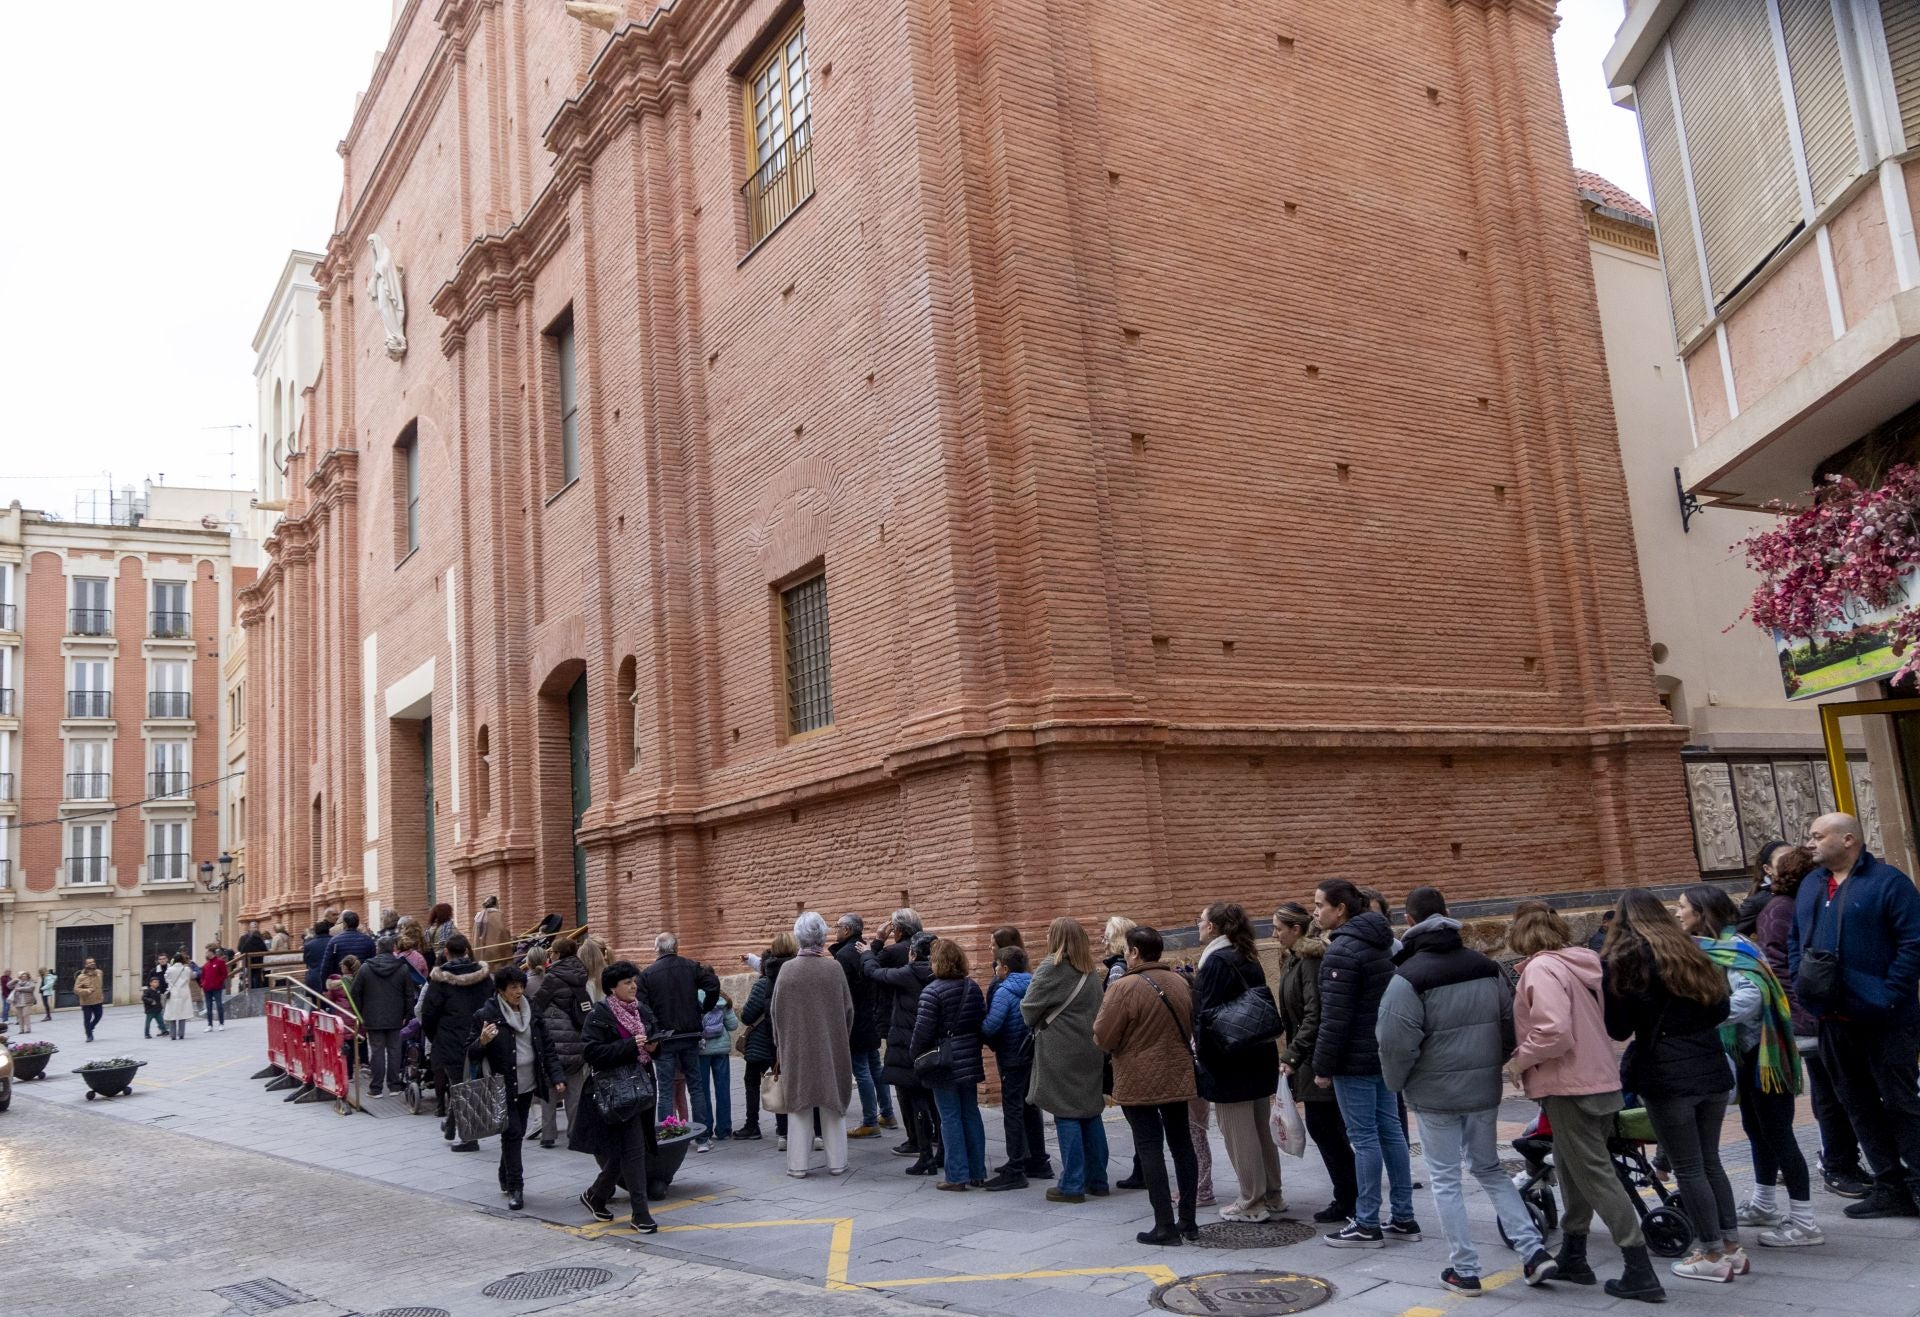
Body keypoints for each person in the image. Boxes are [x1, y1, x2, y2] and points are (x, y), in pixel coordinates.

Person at [1377, 887, 1554, 1294]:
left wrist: (1396, 1083)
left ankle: (1464, 1268)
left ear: (1408, 922)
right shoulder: (1486, 966)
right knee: (1489, 1168)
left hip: (1434, 1091)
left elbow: (1393, 1042)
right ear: (1449, 914)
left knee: (1444, 1178)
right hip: (1481, 1088)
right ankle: (1533, 1251)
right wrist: (1501, 1059)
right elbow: (1510, 1021)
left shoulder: (1407, 976)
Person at [1790, 811, 1920, 1221]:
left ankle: (1918, 1182)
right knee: (1857, 1105)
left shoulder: (1888, 883)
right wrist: (1800, 981)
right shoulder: (1811, 885)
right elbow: (1797, 939)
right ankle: (1889, 1186)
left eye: (1817, 835)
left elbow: (1913, 942)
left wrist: (1890, 993)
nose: (1809, 843)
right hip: (1831, 1020)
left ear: (1848, 840)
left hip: (1886, 1021)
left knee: (1902, 1103)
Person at [1604, 888, 1738, 1283]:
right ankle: (1732, 1247)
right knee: (1710, 1161)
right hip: (1712, 1068)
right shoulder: (1692, 950)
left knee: (1689, 1167)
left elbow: (1619, 1027)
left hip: (1666, 1075)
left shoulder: (1627, 959)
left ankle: (1710, 1251)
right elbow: (1722, 1008)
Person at [1678, 884, 1819, 1248]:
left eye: (1682, 907)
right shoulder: (1716, 949)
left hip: (1766, 1056)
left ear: (1702, 913)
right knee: (1757, 1130)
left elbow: (1751, 998)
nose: (1677, 914)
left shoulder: (1736, 949)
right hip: (1749, 1052)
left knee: (1780, 1134)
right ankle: (1763, 1204)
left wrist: (1703, 1016)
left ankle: (1805, 1223)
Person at [1757, 845, 1870, 1198]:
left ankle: (1843, 1161)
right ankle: (1839, 1164)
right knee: (1833, 1093)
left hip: (1822, 1015)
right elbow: (1787, 969)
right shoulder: (1784, 909)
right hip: (1814, 1019)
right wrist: (1811, 1012)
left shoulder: (1794, 906)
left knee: (1840, 1091)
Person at [1311, 879, 1417, 1247]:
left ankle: (1367, 1221)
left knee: (1364, 1137)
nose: (1316, 912)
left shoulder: (1343, 950)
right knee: (1390, 1130)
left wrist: (1322, 1067)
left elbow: (1335, 1017)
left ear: (1340, 909)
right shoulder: (1380, 942)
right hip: (1381, 1053)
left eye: (1321, 905)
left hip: (1354, 1061)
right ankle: (1403, 1215)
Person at [1094, 925, 1201, 1245]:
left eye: (1127, 951)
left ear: (1135, 952)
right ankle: (1188, 1220)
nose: (1125, 956)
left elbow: (1103, 1036)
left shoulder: (1123, 988)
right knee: (1182, 1143)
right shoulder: (1180, 982)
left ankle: (1164, 1225)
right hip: (1177, 1073)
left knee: (1150, 1145)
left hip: (1137, 1078)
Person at [1193, 902, 1284, 1223]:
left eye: (1202, 920)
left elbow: (1206, 1014)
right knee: (1260, 1128)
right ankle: (1273, 1194)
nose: (1198, 925)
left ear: (1214, 928)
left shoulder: (1216, 961)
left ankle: (1251, 1201)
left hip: (1229, 1058)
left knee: (1238, 1131)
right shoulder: (1246, 955)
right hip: (1257, 1051)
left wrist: (1201, 1058)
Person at [1273, 903, 1356, 1224]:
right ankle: (1349, 1195)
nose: (1274, 933)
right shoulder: (1295, 958)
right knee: (1328, 1128)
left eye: (1279, 928)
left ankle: (1348, 1198)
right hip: (1308, 1055)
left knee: (1326, 1128)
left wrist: (1293, 1055)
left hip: (1314, 1057)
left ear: (1296, 930)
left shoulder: (1309, 960)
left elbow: (1314, 1013)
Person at [1022, 917, 1108, 1204]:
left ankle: (1072, 1184)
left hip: (1060, 1049)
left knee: (1066, 1112)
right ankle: (1098, 1179)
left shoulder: (1053, 966)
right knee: (1091, 1111)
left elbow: (1029, 1007)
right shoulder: (1091, 969)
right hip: (1090, 1048)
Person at [573, 960, 661, 1234]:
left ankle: (596, 1195)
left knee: (623, 1150)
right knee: (634, 1149)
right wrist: (628, 1045)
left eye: (634, 981)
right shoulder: (599, 1015)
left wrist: (654, 1046)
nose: (633, 986)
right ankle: (641, 1213)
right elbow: (591, 1052)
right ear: (613, 988)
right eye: (627, 983)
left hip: (642, 1087)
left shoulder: (641, 1010)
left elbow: (653, 1041)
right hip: (615, 1091)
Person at [469, 965, 565, 1211]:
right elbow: (470, 1052)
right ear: (501, 990)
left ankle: (504, 1172)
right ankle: (516, 1186)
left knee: (517, 1130)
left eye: (521, 986)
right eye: (513, 987)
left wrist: (556, 1076)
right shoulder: (485, 1015)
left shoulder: (532, 1011)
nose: (519, 991)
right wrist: (482, 1041)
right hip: (502, 1084)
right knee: (512, 1132)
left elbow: (547, 1047)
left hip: (528, 1083)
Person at [773, 911, 856, 1178]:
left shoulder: (787, 970)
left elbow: (776, 1013)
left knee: (799, 1104)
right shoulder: (833, 968)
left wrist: (781, 1043)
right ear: (822, 937)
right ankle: (837, 1163)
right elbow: (848, 1011)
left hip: (796, 1047)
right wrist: (839, 1036)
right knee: (832, 1103)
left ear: (799, 938)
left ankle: (797, 1165)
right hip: (831, 1045)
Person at [912, 938, 989, 1190]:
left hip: (943, 1062)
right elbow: (980, 1021)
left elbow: (922, 1032)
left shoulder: (932, 992)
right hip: (969, 1059)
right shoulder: (972, 987)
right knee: (970, 1113)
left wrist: (914, 1055)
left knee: (950, 1117)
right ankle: (977, 1171)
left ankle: (957, 1175)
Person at [864, 918, 940, 1172]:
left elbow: (874, 973)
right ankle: (941, 1148)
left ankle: (924, 1152)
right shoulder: (943, 973)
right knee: (937, 1097)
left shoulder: (909, 972)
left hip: (909, 1042)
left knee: (914, 1097)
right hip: (936, 1042)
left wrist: (872, 947)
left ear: (914, 953)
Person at [638, 932, 723, 1151]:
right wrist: (703, 1009)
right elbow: (713, 984)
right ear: (676, 947)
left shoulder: (648, 974)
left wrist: (653, 1026)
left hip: (665, 1037)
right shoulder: (691, 967)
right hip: (690, 1034)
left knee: (665, 1089)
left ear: (657, 949)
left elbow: (642, 1006)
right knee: (696, 1086)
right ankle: (702, 1138)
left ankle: (668, 1136)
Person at [420, 933, 494, 1151]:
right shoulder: (484, 977)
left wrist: (437, 1038)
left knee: (460, 1085)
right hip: (481, 1036)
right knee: (467, 1083)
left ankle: (469, 1139)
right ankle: (452, 1126)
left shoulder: (441, 979)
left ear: (446, 953)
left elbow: (429, 1014)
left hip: (451, 1038)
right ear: (467, 950)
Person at [981, 945, 1046, 1190]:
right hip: (1032, 1054)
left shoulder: (1004, 991)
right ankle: (1039, 1160)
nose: (995, 969)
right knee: (1031, 1106)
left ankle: (1016, 1166)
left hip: (1011, 1055)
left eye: (997, 965)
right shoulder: (1035, 983)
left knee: (1013, 1111)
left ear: (1005, 968)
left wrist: (981, 1031)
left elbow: (991, 1026)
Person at [831, 914, 892, 1137]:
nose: (835, 930)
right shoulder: (863, 948)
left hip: (855, 1019)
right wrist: (878, 940)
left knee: (862, 1069)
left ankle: (870, 1121)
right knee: (875, 1065)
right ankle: (887, 1113)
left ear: (847, 930)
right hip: (871, 1015)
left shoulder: (843, 955)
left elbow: (841, 992)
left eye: (837, 926)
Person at [533, 936, 592, 1148]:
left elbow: (536, 1005)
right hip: (577, 1040)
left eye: (552, 952)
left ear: (558, 954)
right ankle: (574, 1133)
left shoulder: (553, 977)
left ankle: (548, 1135)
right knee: (574, 1091)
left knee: (550, 1088)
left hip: (555, 1041)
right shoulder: (581, 973)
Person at [737, 932, 796, 1141]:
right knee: (781, 1080)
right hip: (784, 1042)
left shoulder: (763, 984)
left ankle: (752, 1125)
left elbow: (747, 1015)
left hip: (761, 1043)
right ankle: (784, 1129)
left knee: (752, 1082)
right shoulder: (793, 978)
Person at [353, 935, 419, 1098]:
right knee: (394, 1051)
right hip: (396, 1017)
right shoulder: (402, 968)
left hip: (373, 1017)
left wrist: (361, 1011)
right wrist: (408, 1014)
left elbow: (355, 992)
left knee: (377, 1052)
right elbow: (409, 994)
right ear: (393, 948)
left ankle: (376, 1088)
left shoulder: (366, 968)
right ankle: (394, 1086)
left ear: (378, 949)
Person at [695, 985, 740, 1144]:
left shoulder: (692, 997)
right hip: (721, 1051)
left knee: (702, 1091)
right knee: (723, 1089)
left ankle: (705, 1129)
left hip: (701, 1050)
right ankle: (724, 1129)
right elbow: (733, 1025)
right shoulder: (722, 999)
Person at [1739, 841, 1790, 937]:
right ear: (1768, 869)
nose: (1792, 864)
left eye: (1795, 859)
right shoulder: (1759, 901)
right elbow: (1731, 934)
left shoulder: (1810, 888)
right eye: (1784, 861)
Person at [322, 911, 376, 982]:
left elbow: (326, 966)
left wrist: (324, 987)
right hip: (363, 983)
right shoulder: (368, 940)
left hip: (341, 985)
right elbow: (373, 964)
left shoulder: (334, 941)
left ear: (344, 924)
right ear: (357, 923)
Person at [164, 953, 196, 1041]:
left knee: (172, 1014)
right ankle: (181, 1034)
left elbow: (166, 979)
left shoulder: (169, 969)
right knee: (183, 1014)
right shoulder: (186, 969)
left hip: (173, 993)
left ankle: (173, 1035)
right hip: (184, 993)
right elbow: (190, 977)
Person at [199, 941, 230, 1032]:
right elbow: (202, 976)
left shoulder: (220, 962)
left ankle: (221, 1023)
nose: (206, 954)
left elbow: (224, 974)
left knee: (219, 1005)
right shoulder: (206, 965)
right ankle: (210, 1025)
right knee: (208, 1007)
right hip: (207, 989)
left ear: (211, 953)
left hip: (217, 988)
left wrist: (218, 982)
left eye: (207, 952)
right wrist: (203, 984)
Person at [73, 958, 105, 1043]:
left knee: (99, 1016)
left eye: (94, 962)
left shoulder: (99, 973)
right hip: (86, 1002)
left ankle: (91, 1027)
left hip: (98, 1000)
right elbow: (76, 990)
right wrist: (86, 991)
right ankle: (89, 1035)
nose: (93, 964)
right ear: (86, 965)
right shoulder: (81, 977)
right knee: (87, 1018)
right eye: (90, 963)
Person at [237, 920, 270, 990]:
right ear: (250, 928)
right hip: (248, 960)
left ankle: (255, 989)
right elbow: (240, 948)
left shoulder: (260, 937)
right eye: (254, 927)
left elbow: (264, 949)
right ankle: (251, 989)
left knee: (257, 976)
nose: (255, 929)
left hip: (258, 961)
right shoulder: (244, 937)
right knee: (250, 976)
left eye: (256, 927)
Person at [474, 895, 507, 960]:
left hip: (480, 951)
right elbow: (502, 931)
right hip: (494, 952)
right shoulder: (497, 915)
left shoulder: (478, 917)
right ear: (496, 904)